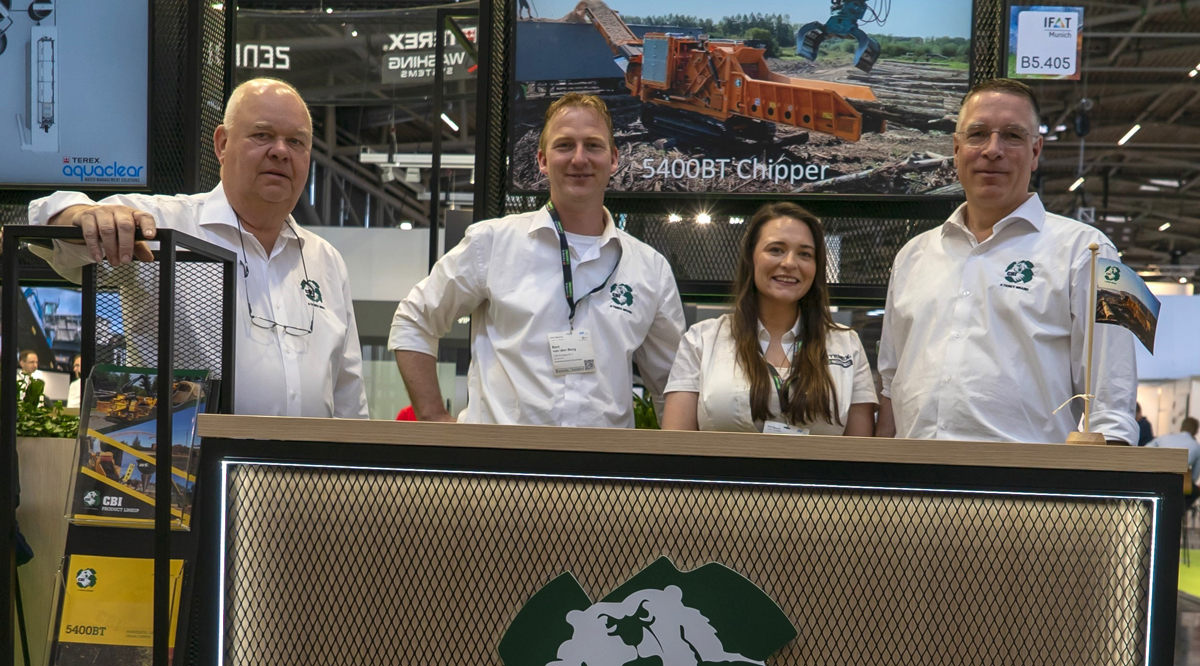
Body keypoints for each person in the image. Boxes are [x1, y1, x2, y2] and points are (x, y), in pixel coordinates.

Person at [28, 78, 368, 419]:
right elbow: (48, 221)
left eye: (296, 141)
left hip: (308, 456)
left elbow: (348, 397)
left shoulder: (325, 260)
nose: (280, 151)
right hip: (185, 453)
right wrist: (83, 216)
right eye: (262, 135)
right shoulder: (162, 225)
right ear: (222, 144)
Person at [389, 93, 685, 426]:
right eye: (564, 146)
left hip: (602, 459)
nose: (579, 159)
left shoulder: (650, 269)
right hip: (500, 456)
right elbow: (415, 319)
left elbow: (674, 384)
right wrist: (432, 416)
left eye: (593, 145)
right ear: (542, 160)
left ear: (614, 158)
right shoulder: (493, 243)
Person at [875, 78, 1137, 444]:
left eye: (1012, 136)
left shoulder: (1092, 253)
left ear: (1035, 151)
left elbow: (1112, 397)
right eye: (978, 134)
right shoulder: (912, 256)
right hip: (915, 474)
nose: (992, 150)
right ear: (956, 148)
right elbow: (891, 385)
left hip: (1026, 477)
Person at [661, 203, 876, 435]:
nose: (790, 263)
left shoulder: (847, 344)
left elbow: (860, 451)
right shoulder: (702, 340)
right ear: (750, 258)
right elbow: (676, 445)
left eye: (805, 254)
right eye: (776, 250)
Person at [1147, 418, 1200, 490]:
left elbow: (1146, 449)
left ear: (1181, 427)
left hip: (1155, 478)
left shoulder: (1164, 437)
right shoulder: (1196, 446)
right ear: (1196, 431)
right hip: (1177, 483)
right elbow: (1194, 476)